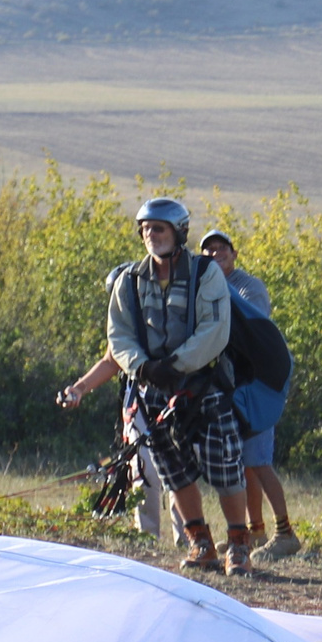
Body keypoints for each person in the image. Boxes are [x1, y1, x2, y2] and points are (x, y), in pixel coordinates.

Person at [59, 198, 253, 574]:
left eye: (159, 228)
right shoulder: (129, 280)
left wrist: (176, 365)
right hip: (152, 392)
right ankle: (201, 545)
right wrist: (146, 369)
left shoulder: (205, 273)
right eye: (146, 229)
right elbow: (120, 338)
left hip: (203, 387)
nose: (151, 235)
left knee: (225, 468)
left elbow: (214, 329)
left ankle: (239, 545)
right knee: (173, 472)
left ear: (179, 232)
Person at [200, 229, 299, 560]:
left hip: (260, 383)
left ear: (234, 253)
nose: (215, 254)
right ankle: (254, 531)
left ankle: (285, 534)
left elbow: (248, 330)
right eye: (208, 251)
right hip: (237, 384)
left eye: (221, 249)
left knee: (258, 460)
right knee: (243, 461)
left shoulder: (249, 287)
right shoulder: (210, 288)